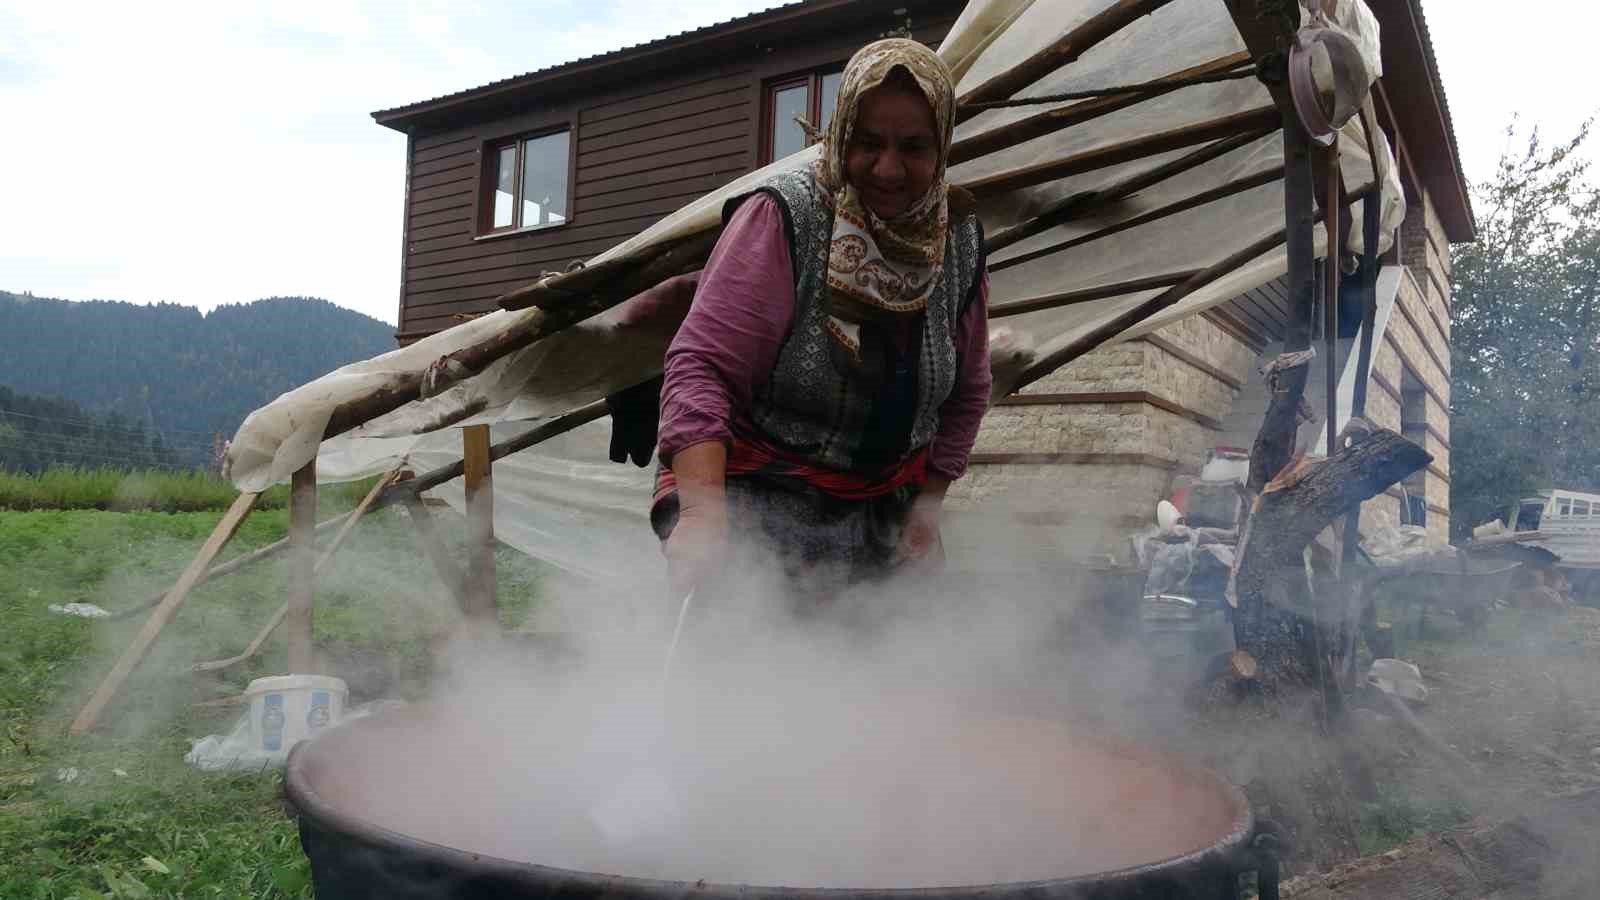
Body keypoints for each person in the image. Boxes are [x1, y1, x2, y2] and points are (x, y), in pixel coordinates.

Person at [652, 38, 991, 609]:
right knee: (753, 679)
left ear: (942, 149)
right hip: (757, 494)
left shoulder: (957, 238)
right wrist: (704, 513)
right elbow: (703, 367)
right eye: (867, 143)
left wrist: (927, 507)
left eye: (913, 146)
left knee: (882, 678)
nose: (888, 168)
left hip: (882, 501)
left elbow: (967, 390)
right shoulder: (783, 216)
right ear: (839, 136)